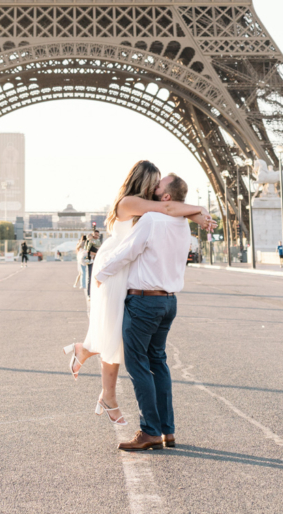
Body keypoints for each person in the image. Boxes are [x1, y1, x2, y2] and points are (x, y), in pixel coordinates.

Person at [63, 161, 208, 432]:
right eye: (153, 182)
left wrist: (198, 212)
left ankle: (89, 359)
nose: (155, 187)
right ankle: (108, 393)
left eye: (158, 184)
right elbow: (168, 206)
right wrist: (199, 211)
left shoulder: (150, 210)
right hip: (115, 267)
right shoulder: (130, 202)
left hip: (125, 266)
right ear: (143, 181)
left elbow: (169, 207)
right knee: (115, 331)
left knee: (117, 332)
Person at [94, 173, 196, 452]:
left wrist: (101, 273)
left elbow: (128, 250)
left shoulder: (151, 220)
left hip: (144, 302)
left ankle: (150, 430)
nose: (153, 187)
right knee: (158, 364)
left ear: (165, 197)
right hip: (168, 303)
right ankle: (167, 430)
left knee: (138, 365)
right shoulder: (182, 223)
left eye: (159, 185)